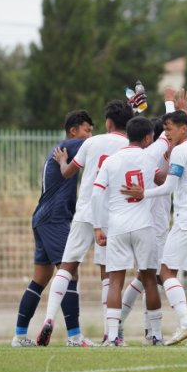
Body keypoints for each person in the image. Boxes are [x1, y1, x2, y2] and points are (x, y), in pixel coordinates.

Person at [36, 100, 134, 346]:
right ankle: (109, 333)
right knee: (108, 275)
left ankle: (48, 319)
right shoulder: (128, 146)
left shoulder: (92, 142)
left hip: (86, 211)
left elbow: (68, 171)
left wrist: (60, 161)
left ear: (108, 123)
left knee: (67, 267)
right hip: (112, 214)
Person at [121, 109, 187, 346]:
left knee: (165, 272)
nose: (167, 132)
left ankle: (185, 323)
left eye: (170, 128)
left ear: (184, 128)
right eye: (165, 128)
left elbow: (168, 186)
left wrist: (144, 193)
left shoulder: (182, 151)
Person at [11, 109, 93, 348]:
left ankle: (19, 336)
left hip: (43, 217)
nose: (90, 136)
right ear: (74, 131)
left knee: (41, 278)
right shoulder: (74, 145)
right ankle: (74, 336)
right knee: (70, 273)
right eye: (87, 130)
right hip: (54, 219)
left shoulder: (62, 149)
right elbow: (100, 146)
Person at [92, 116, 164, 347]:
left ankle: (112, 337)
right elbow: (163, 179)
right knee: (150, 279)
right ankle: (155, 335)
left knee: (115, 281)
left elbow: (96, 194)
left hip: (117, 226)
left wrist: (98, 227)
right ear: (146, 137)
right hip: (143, 224)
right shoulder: (149, 158)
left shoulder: (111, 161)